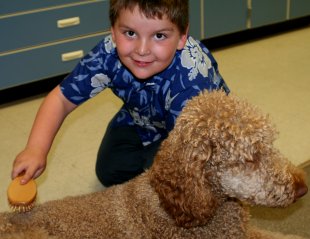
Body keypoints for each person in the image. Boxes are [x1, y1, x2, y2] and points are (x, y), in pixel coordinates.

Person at [12, 0, 229, 187]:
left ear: (182, 36)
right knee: (109, 171)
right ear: (113, 32)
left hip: (198, 136)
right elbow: (61, 99)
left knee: (169, 184)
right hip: (142, 118)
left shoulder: (191, 80)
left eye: (159, 35)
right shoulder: (107, 54)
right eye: (130, 33)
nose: (142, 50)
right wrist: (35, 149)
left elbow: (194, 153)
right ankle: (149, 160)